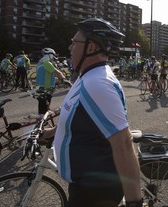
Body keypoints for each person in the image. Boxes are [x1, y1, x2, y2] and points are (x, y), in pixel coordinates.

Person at [42, 18, 142, 207]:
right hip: (85, 184)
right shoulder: (87, 76)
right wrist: (50, 133)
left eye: (74, 42)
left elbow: (124, 145)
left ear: (91, 47)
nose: (70, 47)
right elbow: (79, 117)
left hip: (96, 191)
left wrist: (134, 202)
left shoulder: (97, 84)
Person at [35, 47, 66, 115]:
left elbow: (46, 74)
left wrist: (56, 80)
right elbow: (58, 73)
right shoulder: (47, 63)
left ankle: (41, 117)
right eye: (53, 55)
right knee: (45, 105)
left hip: (40, 86)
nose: (53, 58)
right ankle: (42, 120)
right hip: (46, 87)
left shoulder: (40, 62)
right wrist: (64, 79)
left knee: (42, 104)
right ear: (49, 55)